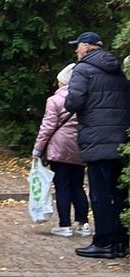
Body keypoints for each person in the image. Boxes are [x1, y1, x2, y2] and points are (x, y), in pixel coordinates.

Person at [65, 32, 130, 259]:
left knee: (100, 194)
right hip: (120, 140)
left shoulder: (82, 69)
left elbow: (74, 101)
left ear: (86, 47)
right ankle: (120, 242)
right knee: (118, 193)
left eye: (77, 46)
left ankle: (103, 242)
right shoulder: (117, 68)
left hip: (96, 139)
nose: (76, 51)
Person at [32, 63, 89, 238]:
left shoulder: (54, 100)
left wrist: (37, 149)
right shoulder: (85, 99)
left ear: (62, 82)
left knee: (62, 186)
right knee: (78, 186)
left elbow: (47, 127)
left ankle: (64, 225)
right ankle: (83, 223)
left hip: (59, 147)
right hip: (79, 146)